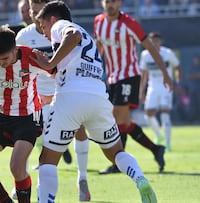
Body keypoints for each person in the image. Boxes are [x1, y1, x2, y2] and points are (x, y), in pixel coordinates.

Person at [31, 1, 157, 202]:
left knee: (47, 160)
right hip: (98, 98)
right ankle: (140, 178)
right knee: (116, 152)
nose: (45, 33)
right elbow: (72, 67)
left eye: (43, 26)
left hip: (70, 100)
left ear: (53, 19)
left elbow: (73, 36)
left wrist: (51, 62)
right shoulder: (88, 37)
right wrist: (52, 68)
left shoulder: (60, 26)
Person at [15, 0, 90, 201]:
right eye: (32, 10)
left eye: (39, 10)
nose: (35, 15)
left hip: (63, 91)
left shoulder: (60, 31)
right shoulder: (23, 36)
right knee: (30, 139)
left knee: (79, 129)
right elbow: (21, 67)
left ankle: (82, 178)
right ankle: (26, 183)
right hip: (37, 98)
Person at [0, 26, 52, 203]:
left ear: (15, 49)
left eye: (5, 59)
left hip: (28, 117)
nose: (1, 63)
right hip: (0, 115)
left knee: (17, 166)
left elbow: (60, 75)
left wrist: (54, 97)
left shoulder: (31, 55)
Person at [93, 0, 173, 174]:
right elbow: (99, 45)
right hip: (113, 78)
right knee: (123, 122)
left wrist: (165, 74)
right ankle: (155, 149)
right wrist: (93, 66)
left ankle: (117, 164)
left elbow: (150, 47)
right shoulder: (98, 21)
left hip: (129, 76)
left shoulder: (130, 23)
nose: (110, 5)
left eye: (113, 1)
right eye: (107, 1)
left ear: (120, 3)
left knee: (116, 118)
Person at [139, 32, 182, 152]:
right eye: (152, 40)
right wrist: (141, 91)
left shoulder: (167, 53)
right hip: (152, 87)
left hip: (165, 87)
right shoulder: (145, 54)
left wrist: (177, 82)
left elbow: (177, 67)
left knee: (165, 115)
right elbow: (144, 74)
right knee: (148, 115)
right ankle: (159, 135)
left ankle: (168, 145)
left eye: (157, 40)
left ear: (161, 41)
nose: (154, 42)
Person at [187, 55, 200, 122]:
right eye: (195, 59)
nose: (196, 61)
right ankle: (191, 119)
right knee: (192, 105)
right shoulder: (192, 67)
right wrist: (197, 75)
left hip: (199, 89)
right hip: (193, 89)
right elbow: (189, 76)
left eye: (197, 59)